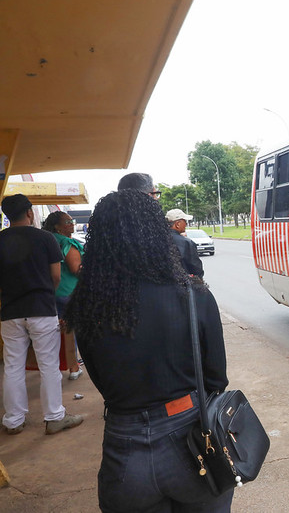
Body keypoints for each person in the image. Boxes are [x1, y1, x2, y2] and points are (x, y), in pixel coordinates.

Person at [64, 190, 232, 512]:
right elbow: (216, 378)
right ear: (158, 234)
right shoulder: (194, 296)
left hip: (124, 454)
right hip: (194, 442)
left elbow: (100, 380)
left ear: (99, 242)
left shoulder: (86, 308)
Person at [0, 194, 84, 435]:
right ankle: (54, 416)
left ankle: (14, 420)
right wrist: (46, 296)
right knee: (49, 364)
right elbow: (56, 276)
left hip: (10, 312)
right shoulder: (45, 238)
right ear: (29, 213)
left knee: (13, 366)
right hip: (41, 309)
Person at [42, 210, 84, 380]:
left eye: (71, 220)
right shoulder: (66, 242)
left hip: (50, 292)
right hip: (68, 292)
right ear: (57, 227)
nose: (72, 224)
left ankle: (55, 367)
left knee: (54, 332)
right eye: (67, 222)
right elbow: (76, 269)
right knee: (71, 331)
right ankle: (74, 367)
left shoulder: (45, 240)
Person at [166, 208, 204, 278]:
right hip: (182, 283)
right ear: (177, 224)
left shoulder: (157, 239)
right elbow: (196, 269)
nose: (186, 224)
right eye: (185, 221)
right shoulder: (186, 243)